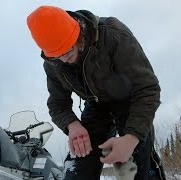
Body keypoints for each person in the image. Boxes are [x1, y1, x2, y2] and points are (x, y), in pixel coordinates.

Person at [26, 5, 165, 180]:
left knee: (138, 168)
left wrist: (130, 139)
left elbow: (147, 88)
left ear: (77, 32)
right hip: (96, 105)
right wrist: (72, 125)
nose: (63, 59)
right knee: (79, 168)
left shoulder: (113, 35)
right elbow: (57, 103)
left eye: (68, 50)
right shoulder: (53, 63)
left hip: (130, 102)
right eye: (56, 55)